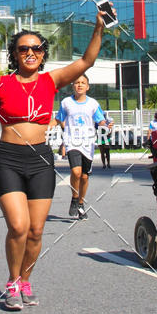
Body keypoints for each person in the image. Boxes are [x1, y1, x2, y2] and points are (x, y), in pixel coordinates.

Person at [0, 8, 109, 310]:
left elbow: (87, 61)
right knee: (18, 226)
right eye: (24, 48)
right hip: (8, 160)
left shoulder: (51, 81)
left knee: (36, 231)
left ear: (43, 53)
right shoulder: (1, 83)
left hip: (40, 160)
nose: (30, 53)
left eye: (36, 48)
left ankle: (25, 280)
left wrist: (99, 27)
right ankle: (12, 282)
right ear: (15, 54)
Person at [55, 74, 103, 219]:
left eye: (83, 82)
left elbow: (101, 120)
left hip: (88, 143)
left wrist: (107, 124)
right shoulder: (66, 102)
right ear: (73, 86)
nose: (80, 85)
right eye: (77, 82)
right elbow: (58, 119)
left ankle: (81, 204)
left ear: (87, 87)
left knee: (84, 177)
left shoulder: (93, 104)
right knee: (76, 172)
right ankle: (75, 198)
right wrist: (42, 128)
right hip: (72, 142)